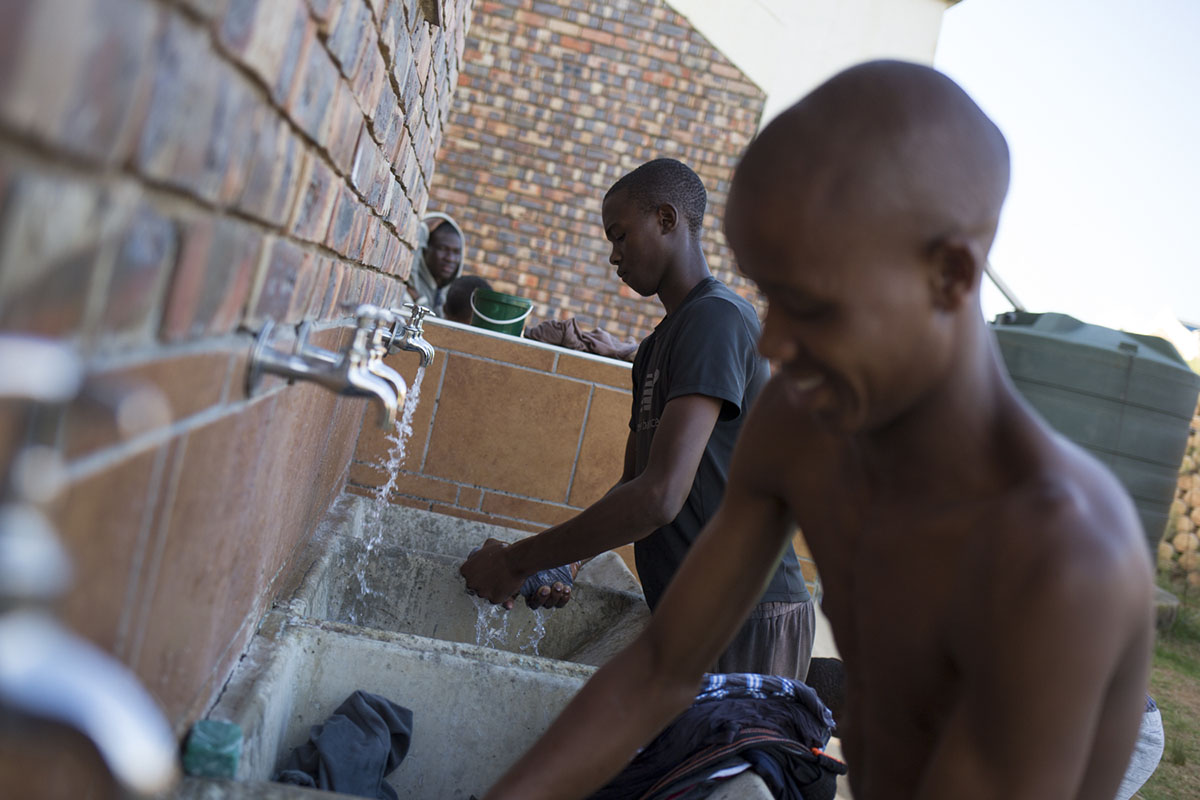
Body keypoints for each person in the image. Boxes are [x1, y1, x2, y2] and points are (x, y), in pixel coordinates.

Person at [476, 61, 1155, 800]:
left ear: (950, 277)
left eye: (811, 303)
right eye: (770, 294)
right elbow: (661, 669)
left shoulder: (1060, 557)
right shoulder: (796, 433)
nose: (770, 345)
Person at [460, 158, 815, 680]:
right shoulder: (654, 348)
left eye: (621, 235)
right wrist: (564, 562)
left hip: (746, 614)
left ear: (667, 220)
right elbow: (635, 484)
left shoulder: (717, 318)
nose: (613, 256)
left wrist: (518, 561)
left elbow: (659, 498)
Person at [407, 212, 464, 316]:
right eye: (442, 249)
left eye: (456, 252)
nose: (450, 259)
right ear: (425, 249)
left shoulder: (449, 299)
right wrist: (422, 230)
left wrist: (420, 300)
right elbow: (408, 267)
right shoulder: (410, 288)